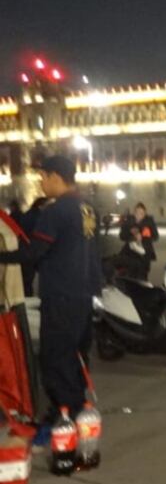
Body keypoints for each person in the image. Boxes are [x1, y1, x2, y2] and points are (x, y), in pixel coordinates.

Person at [0, 156, 101, 432]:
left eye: (42, 177)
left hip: (60, 296)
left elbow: (33, 253)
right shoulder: (87, 208)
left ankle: (64, 415)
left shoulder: (55, 212)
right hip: (83, 296)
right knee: (77, 355)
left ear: (56, 176)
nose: (41, 183)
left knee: (55, 358)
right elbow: (94, 253)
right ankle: (77, 408)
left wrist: (2, 256)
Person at [19, 197, 47, 297]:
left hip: (24, 247)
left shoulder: (27, 214)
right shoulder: (40, 216)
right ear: (41, 206)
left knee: (26, 277)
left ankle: (26, 295)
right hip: (33, 248)